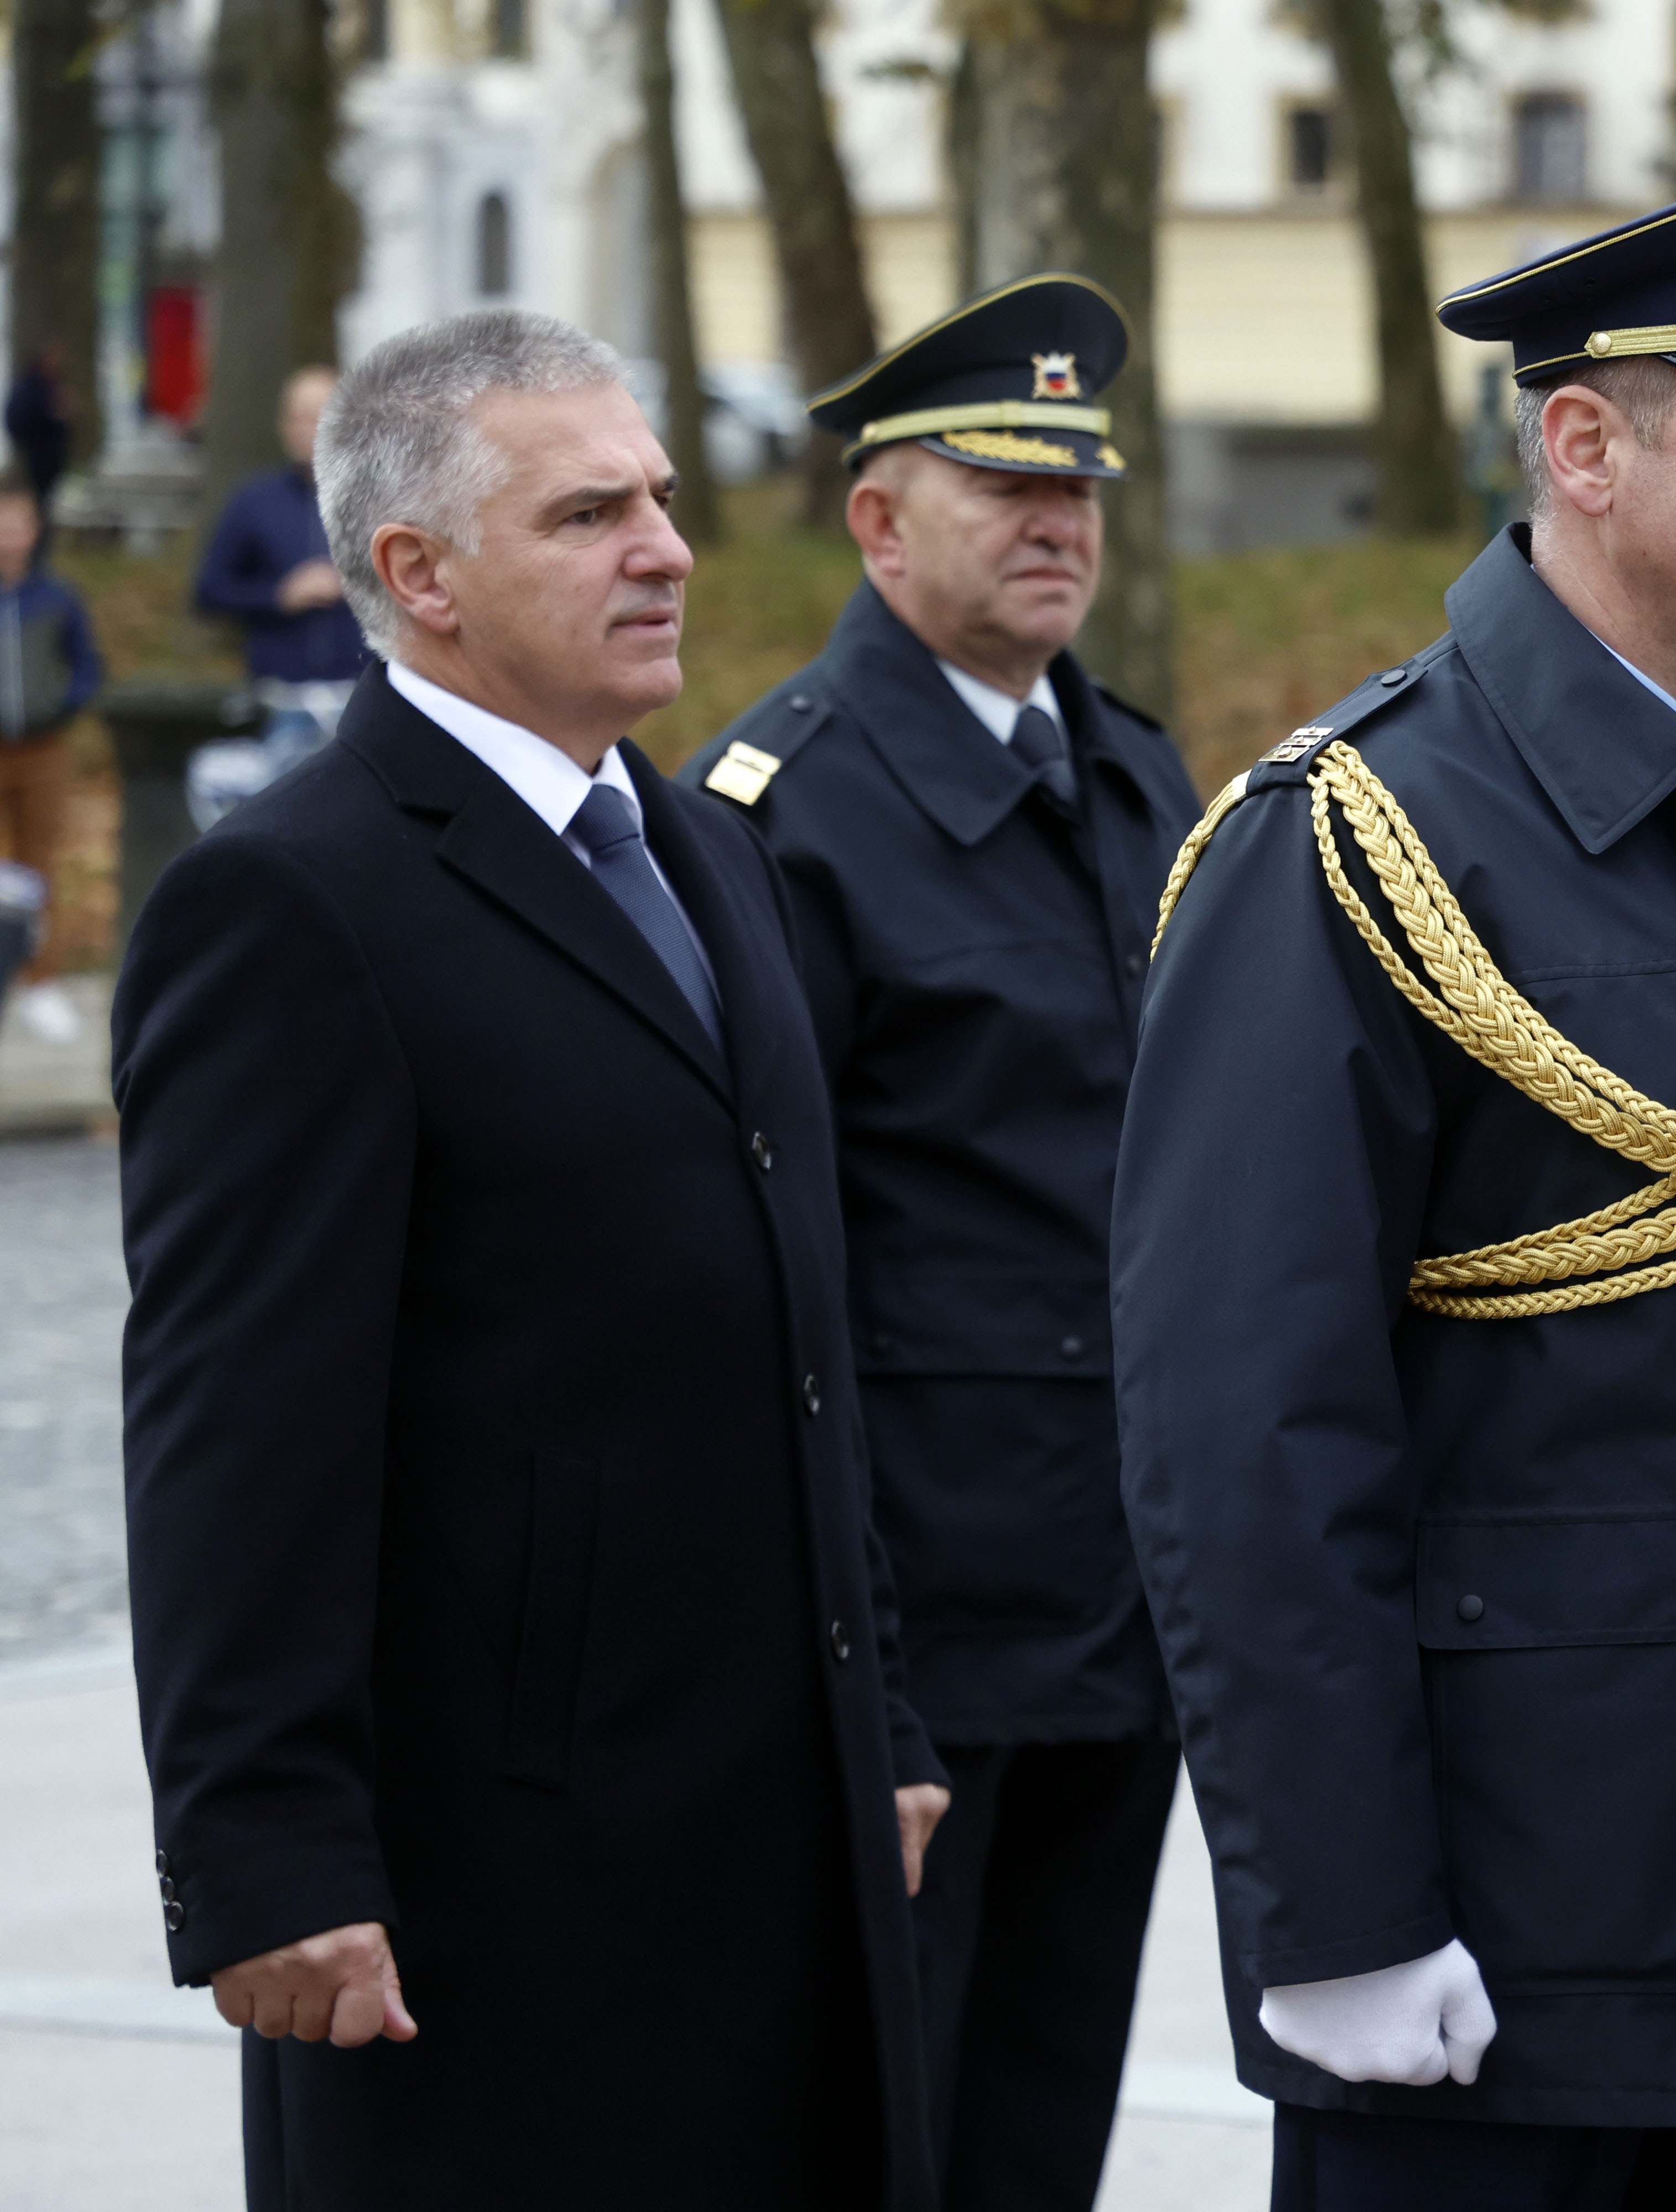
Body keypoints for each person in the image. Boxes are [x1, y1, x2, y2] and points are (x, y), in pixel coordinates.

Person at [1113, 134, 1676, 2210]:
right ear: (1583, 445)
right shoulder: (1349, 832)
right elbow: (1248, 1431)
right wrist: (1335, 1912)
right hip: (1508, 1970)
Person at [114, 309, 945, 2210]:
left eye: (657, 496)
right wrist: (271, 1860)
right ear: (418, 576)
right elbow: (238, 1435)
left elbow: (807, 1336)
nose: (666, 545)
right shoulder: (296, 900)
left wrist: (880, 1717)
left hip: (781, 1827)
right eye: (589, 514)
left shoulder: (700, 846)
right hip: (498, 1877)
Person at [681, 273, 1199, 2212]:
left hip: (1119, 1590)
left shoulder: (1134, 774)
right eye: (1009, 489)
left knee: (1044, 2113)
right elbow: (764, 1263)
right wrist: (858, 1654)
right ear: (878, 521)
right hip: (910, 1605)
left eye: (1081, 490)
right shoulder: (778, 811)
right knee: (875, 2127)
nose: (1061, 523)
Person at [195, 364, 371, 740]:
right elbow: (209, 592)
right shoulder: (254, 502)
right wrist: (278, 596)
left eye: (317, 416)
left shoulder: (379, 502)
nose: (306, 429)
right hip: (278, 700)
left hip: (365, 698)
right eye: (297, 417)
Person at [0, 472, 101, 988]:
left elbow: (87, 665)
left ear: (34, 529)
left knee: (39, 860)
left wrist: (63, 706)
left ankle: (39, 975)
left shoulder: (57, 597)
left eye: (16, 525)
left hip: (43, 747)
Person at [6, 346, 74, 549]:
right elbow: (19, 420)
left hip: (49, 457)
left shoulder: (48, 386)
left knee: (46, 503)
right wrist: (53, 416)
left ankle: (40, 543)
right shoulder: (31, 390)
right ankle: (35, 544)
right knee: (37, 503)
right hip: (38, 457)